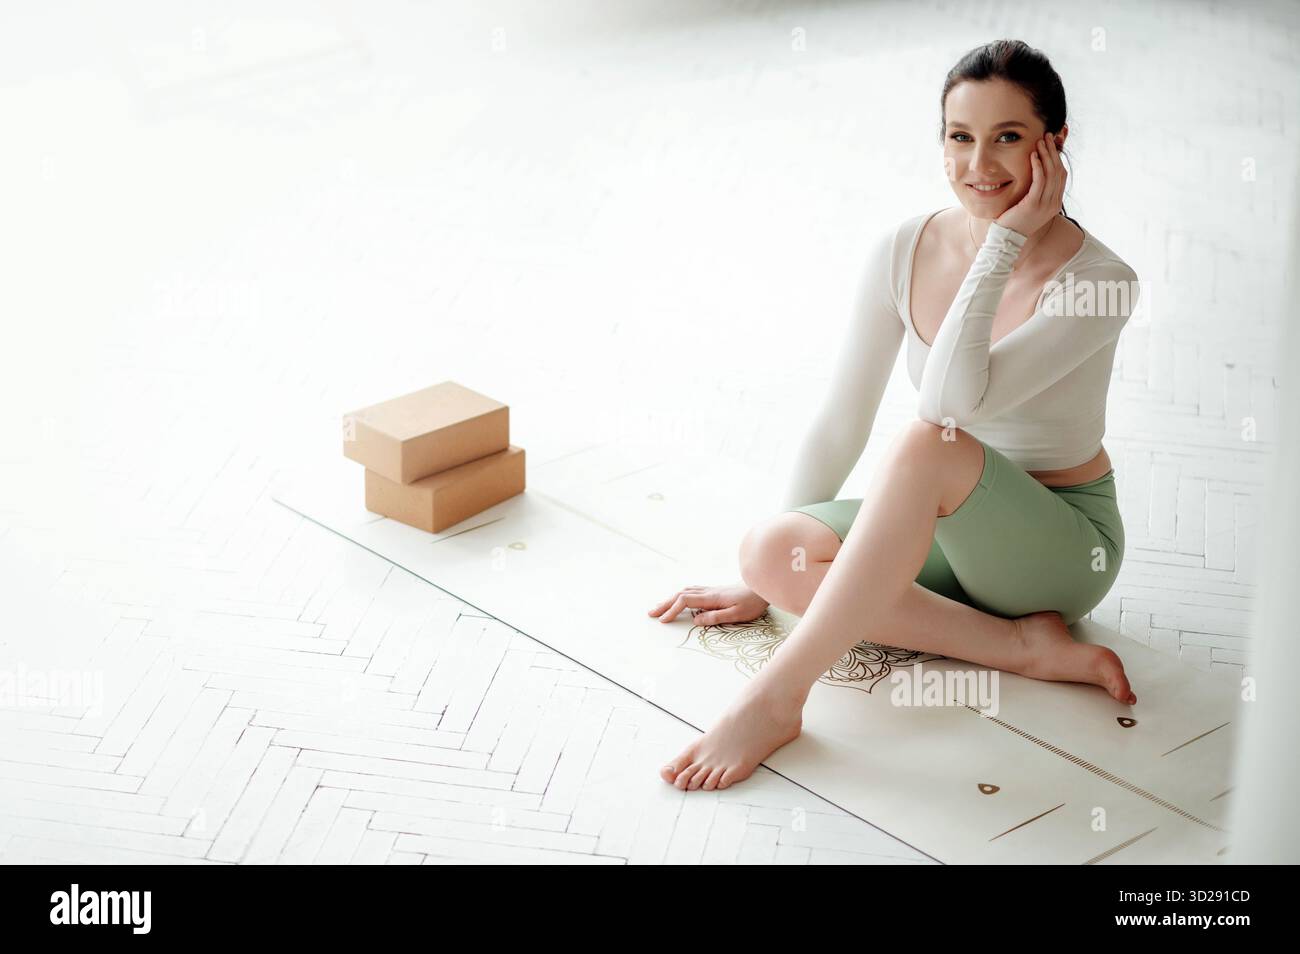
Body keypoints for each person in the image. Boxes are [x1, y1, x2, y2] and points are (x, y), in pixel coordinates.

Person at [647, 39, 1143, 792]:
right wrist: (765, 587)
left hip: (1059, 547)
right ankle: (1018, 648)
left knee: (926, 441)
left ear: (1056, 145)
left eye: (1008, 137)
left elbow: (946, 404)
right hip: (949, 529)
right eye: (960, 136)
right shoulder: (905, 247)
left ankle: (775, 696)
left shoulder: (1102, 281)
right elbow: (841, 419)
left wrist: (1003, 242)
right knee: (770, 552)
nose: (980, 164)